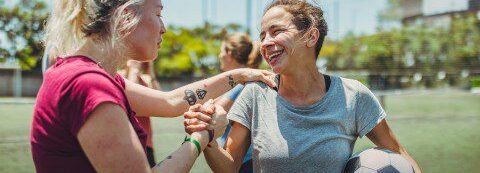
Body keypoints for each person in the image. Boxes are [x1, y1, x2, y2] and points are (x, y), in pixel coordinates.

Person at [30, 0, 276, 173]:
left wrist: (239, 75)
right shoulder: (88, 84)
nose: (164, 27)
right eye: (158, 13)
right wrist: (201, 137)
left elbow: (170, 102)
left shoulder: (93, 75)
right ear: (126, 16)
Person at [183, 0, 422, 173]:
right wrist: (209, 140)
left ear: (310, 37)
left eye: (276, 31)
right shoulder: (255, 93)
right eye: (263, 35)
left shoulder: (354, 95)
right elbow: (229, 167)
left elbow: (398, 154)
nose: (266, 42)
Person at [216, 32, 263, 173]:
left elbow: (213, 110)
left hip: (244, 164)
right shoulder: (244, 82)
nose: (219, 55)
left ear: (229, 53)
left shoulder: (243, 84)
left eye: (221, 51)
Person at [119, 60, 160, 167]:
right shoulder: (119, 76)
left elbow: (159, 100)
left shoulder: (146, 79)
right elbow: (128, 101)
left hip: (146, 141)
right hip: (126, 140)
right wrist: (132, 70)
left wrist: (150, 71)